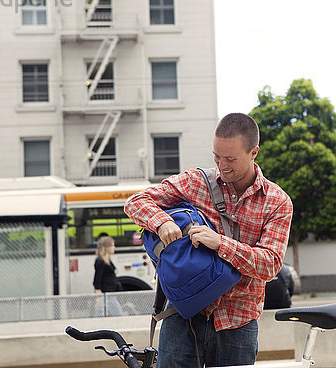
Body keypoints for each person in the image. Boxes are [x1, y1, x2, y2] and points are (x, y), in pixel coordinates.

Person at [124, 113, 293, 367]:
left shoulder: (277, 202)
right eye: (216, 156)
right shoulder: (195, 182)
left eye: (230, 159)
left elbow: (270, 264)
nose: (221, 165)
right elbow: (135, 202)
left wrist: (220, 244)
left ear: (253, 152)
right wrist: (162, 222)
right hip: (183, 315)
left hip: (239, 323)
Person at [93, 236, 124, 316]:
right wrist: (99, 295)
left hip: (110, 293)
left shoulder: (107, 260)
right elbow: (97, 279)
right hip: (106, 295)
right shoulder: (101, 261)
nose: (114, 247)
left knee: (99, 314)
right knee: (119, 315)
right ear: (106, 247)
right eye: (112, 245)